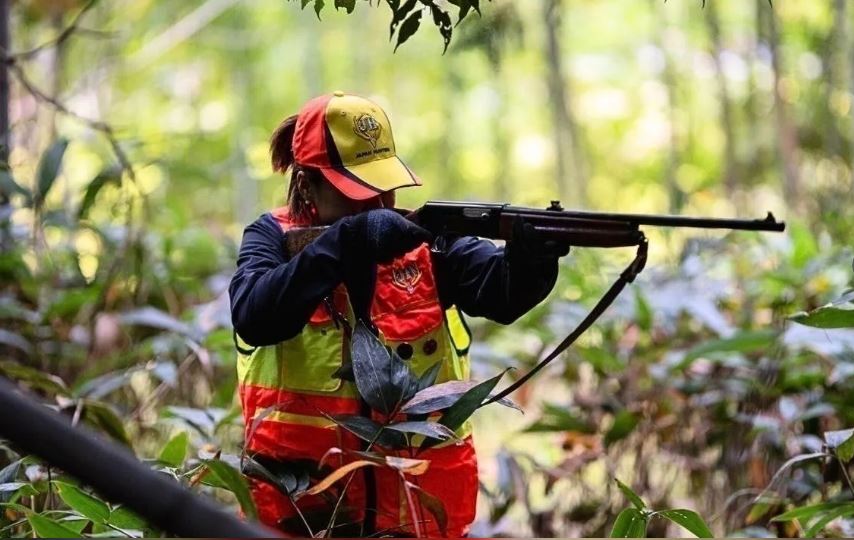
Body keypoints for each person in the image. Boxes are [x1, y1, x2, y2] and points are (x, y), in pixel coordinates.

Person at [229, 92, 569, 537]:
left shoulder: (420, 237)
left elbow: (500, 293)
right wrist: (347, 242)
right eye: (355, 189)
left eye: (381, 184)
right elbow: (255, 314)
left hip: (415, 513)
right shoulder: (270, 237)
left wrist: (531, 261)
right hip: (306, 513)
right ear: (306, 183)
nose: (374, 201)